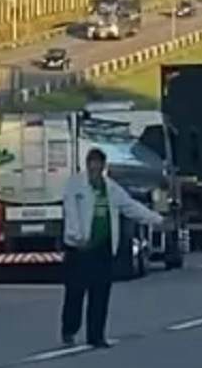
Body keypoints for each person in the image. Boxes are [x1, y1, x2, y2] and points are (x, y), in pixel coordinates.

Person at [61, 148, 166, 347]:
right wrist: (76, 236)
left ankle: (96, 335)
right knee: (75, 292)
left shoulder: (110, 188)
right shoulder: (75, 185)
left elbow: (131, 207)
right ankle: (69, 329)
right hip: (80, 248)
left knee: (100, 292)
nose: (94, 168)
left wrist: (157, 220)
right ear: (87, 165)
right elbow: (70, 211)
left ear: (102, 166)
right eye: (91, 164)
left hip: (103, 247)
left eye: (98, 164)